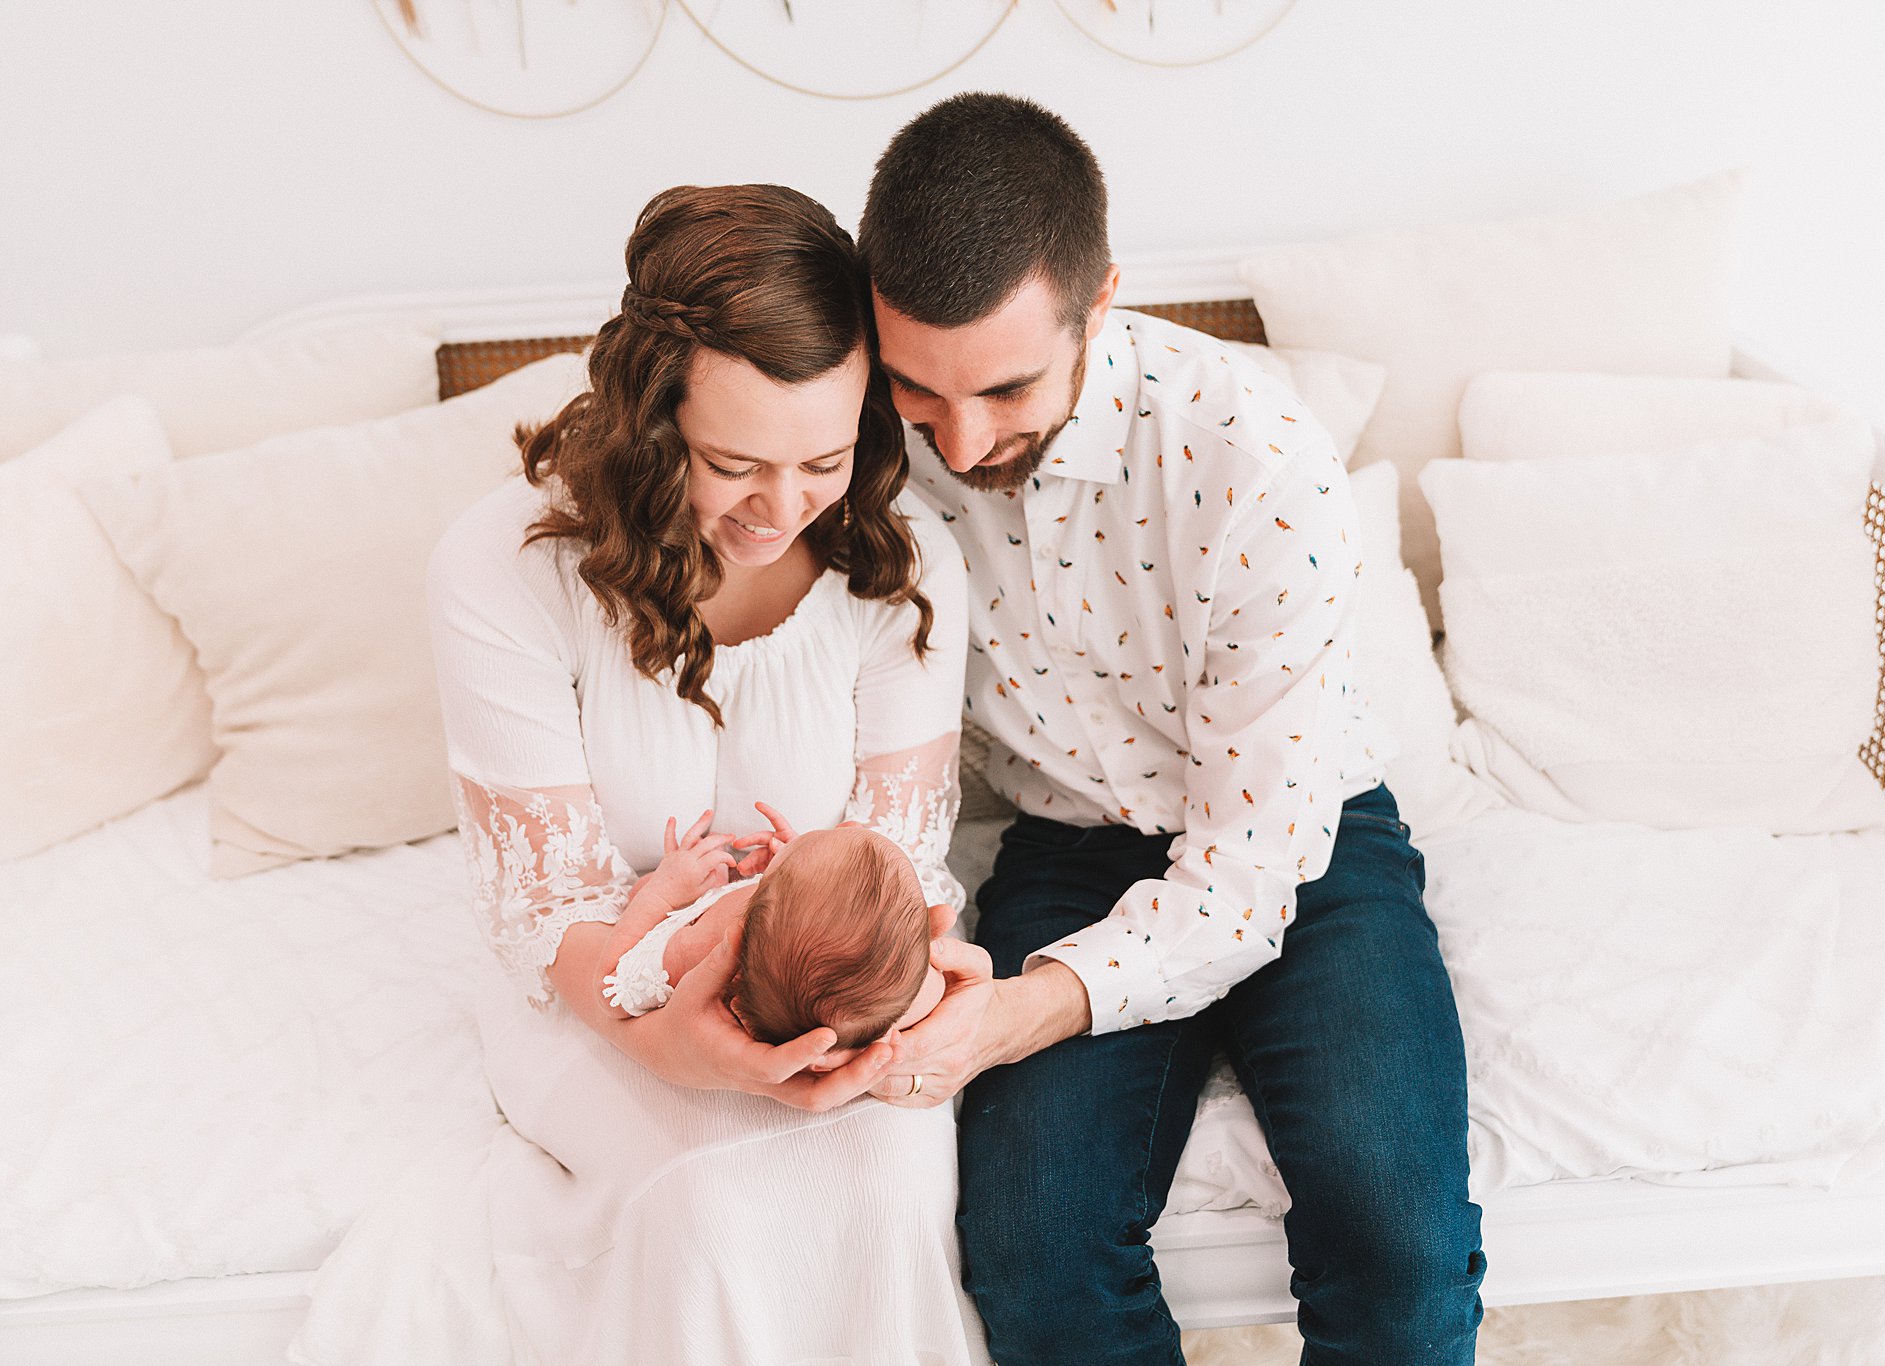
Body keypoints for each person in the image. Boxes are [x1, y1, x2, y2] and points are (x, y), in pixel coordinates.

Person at [855, 94, 1488, 1363]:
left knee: (1400, 1249)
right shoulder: (865, 435)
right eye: (918, 386)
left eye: (1005, 385)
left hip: (1305, 846)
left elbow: (1249, 879)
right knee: (1031, 1254)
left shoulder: (1258, 458)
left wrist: (1025, 1010)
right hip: (1069, 843)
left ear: (1100, 306)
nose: (961, 439)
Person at [426, 182, 986, 1364]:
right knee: (711, 1206)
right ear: (647, 418)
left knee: (883, 1198)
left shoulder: (904, 568)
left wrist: (874, 1012)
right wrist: (662, 1039)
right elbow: (549, 908)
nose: (780, 510)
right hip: (593, 982)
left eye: (823, 460)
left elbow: (893, 867)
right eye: (732, 463)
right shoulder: (503, 568)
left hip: (828, 991)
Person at [596, 810, 949, 1046]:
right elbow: (821, 932)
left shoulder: (714, 936)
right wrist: (792, 876)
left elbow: (613, 990)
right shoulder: (867, 997)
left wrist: (662, 890)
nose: (851, 825)